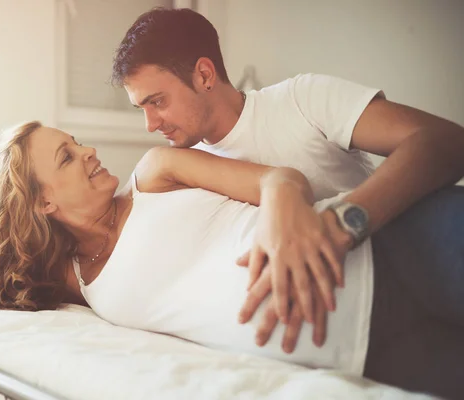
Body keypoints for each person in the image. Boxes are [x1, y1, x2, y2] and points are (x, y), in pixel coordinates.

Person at [0, 122, 464, 399]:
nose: (89, 151)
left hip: (399, 250)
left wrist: (283, 225)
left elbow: (281, 179)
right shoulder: (74, 280)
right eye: (67, 157)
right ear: (43, 202)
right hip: (370, 353)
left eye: (76, 141)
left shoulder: (155, 173)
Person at [111, 7, 464, 353]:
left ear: (204, 74)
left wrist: (340, 224)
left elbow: (446, 142)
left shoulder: (301, 99)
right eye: (141, 108)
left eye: (157, 101)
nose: (150, 124)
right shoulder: (187, 174)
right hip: (366, 324)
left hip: (423, 245)